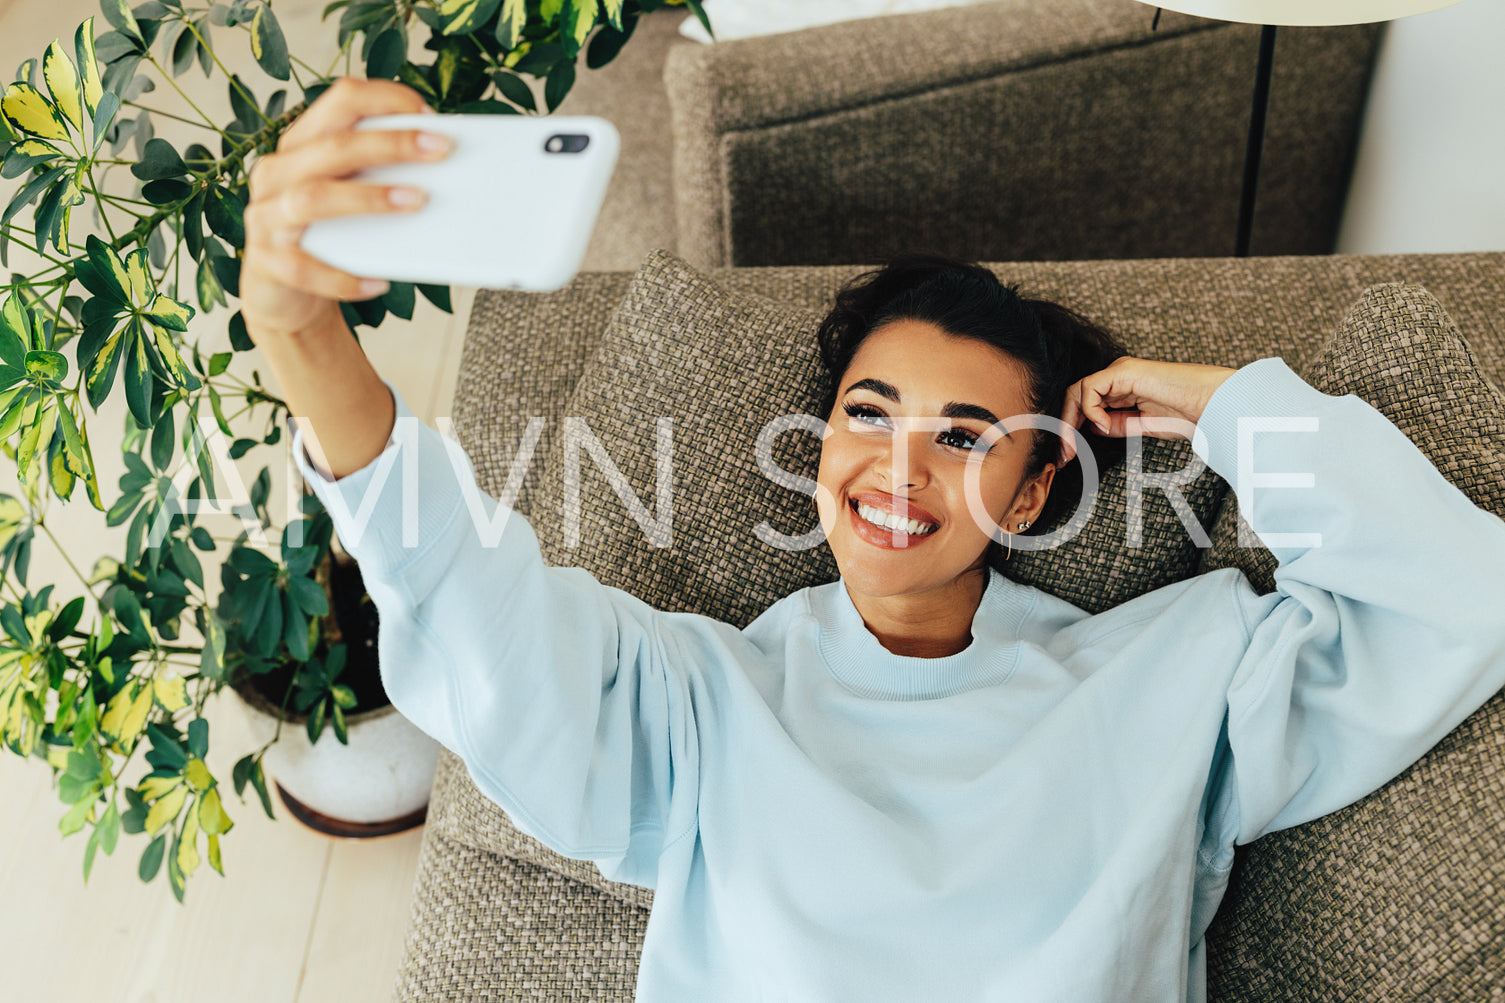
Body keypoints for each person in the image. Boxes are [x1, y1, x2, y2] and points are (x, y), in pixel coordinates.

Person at [241, 78, 1505, 1003]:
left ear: (1028, 494)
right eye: (867, 414)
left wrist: (1222, 406)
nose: (898, 466)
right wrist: (301, 335)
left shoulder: (1177, 675)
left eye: (964, 437)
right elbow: (477, 608)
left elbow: (1456, 600)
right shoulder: (698, 697)